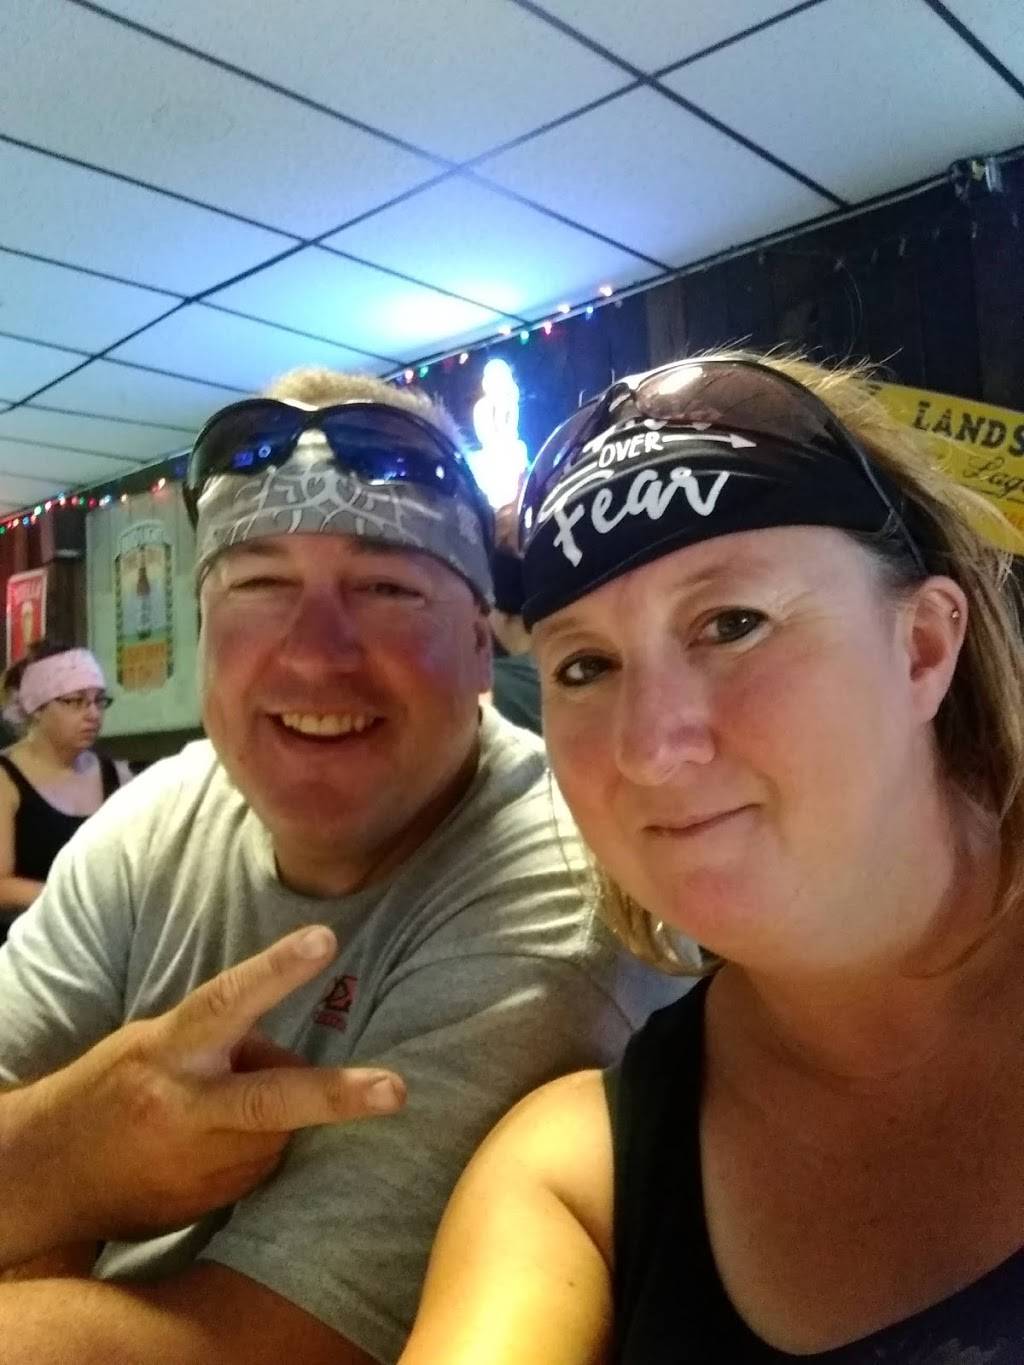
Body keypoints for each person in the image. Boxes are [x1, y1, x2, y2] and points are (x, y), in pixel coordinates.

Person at [0, 367, 676, 1365]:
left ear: (481, 648)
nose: (316, 655)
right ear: (204, 634)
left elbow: (270, 1347)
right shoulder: (149, 822)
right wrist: (73, 1151)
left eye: (387, 588)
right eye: (260, 584)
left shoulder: (557, 894)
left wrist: (59, 1176)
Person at [401, 353, 1024, 1363]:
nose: (650, 749)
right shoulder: (574, 1181)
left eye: (733, 623)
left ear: (922, 646)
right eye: (585, 666)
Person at [0, 639, 130, 941]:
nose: (93, 714)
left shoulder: (114, 775)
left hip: (100, 942)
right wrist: (72, 900)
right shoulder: (6, 778)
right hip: (24, 944)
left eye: (99, 700)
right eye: (75, 701)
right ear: (37, 708)